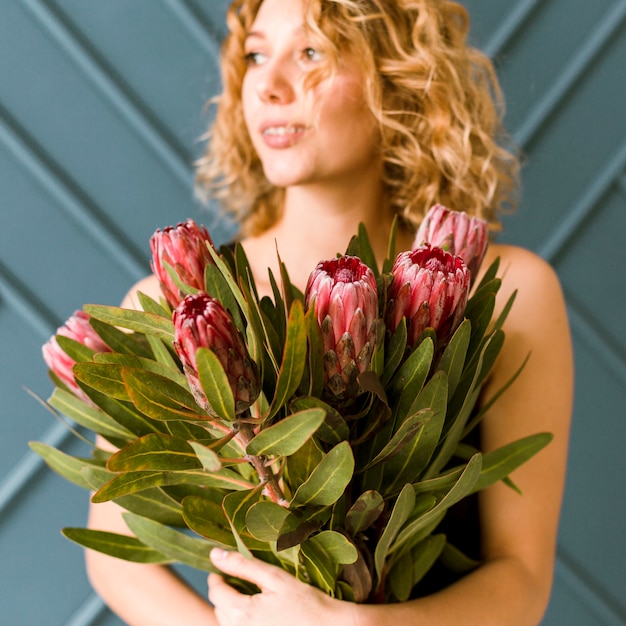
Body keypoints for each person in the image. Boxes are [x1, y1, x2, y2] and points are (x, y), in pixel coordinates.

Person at [86, 0, 574, 624]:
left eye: (312, 53)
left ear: (397, 78)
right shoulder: (172, 306)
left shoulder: (512, 292)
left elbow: (522, 579)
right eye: (257, 55)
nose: (269, 84)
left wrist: (355, 625)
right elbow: (117, 553)